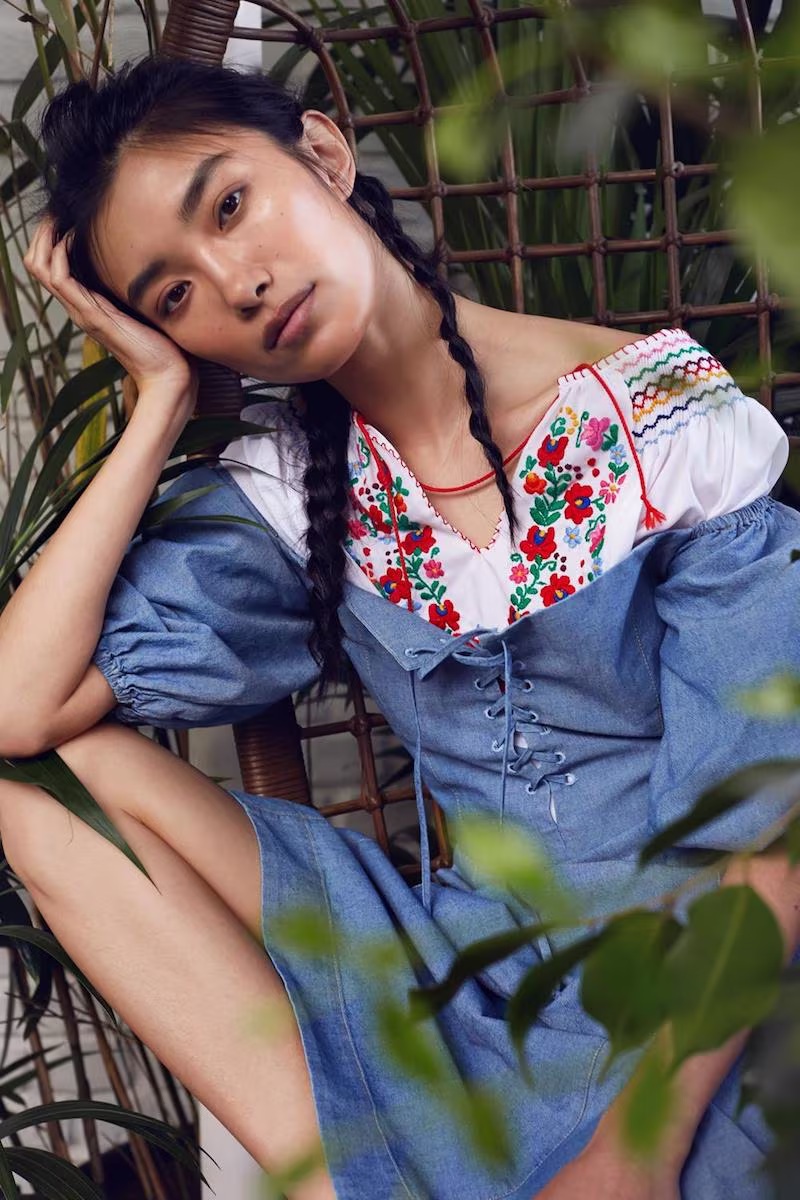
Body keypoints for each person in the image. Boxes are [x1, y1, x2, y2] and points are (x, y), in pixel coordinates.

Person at [0, 54, 799, 1200]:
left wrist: (636, 1151)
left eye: (229, 205)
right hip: (469, 1004)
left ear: (325, 156)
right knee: (38, 790)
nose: (236, 282)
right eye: (173, 296)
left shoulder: (663, 423)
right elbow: (16, 713)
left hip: (705, 1012)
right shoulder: (292, 495)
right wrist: (156, 407)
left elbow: (767, 829)